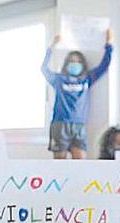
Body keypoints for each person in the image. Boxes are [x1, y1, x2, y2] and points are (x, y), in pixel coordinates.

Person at [42, 30, 114, 159]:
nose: (75, 64)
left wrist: (109, 43)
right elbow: (44, 69)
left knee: (80, 162)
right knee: (59, 163)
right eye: (72, 61)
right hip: (60, 124)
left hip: (79, 125)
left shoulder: (87, 78)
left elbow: (105, 65)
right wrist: (52, 46)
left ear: (82, 64)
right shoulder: (58, 79)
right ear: (67, 64)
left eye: (78, 61)